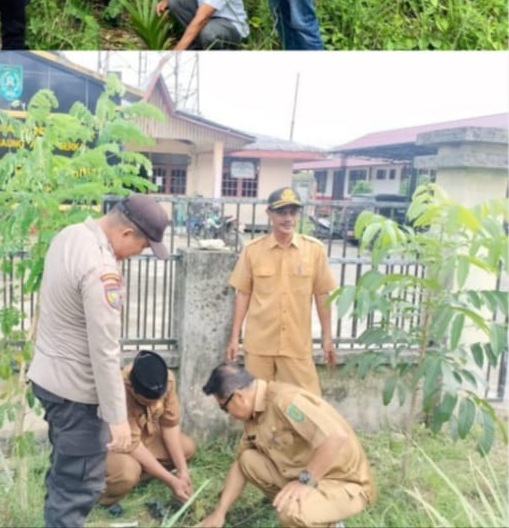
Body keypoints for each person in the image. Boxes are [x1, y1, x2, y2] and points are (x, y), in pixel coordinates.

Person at [28, 195, 170, 528]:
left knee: (64, 474)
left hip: (49, 379)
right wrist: (117, 418)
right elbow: (105, 350)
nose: (138, 255)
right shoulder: (102, 269)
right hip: (76, 394)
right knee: (80, 485)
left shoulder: (70, 234)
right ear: (125, 234)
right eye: (143, 247)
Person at [199, 361, 376, 528]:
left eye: (224, 408)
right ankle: (309, 510)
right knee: (248, 459)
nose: (228, 414)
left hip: (342, 483)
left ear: (238, 397)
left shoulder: (286, 401)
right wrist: (219, 513)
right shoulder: (254, 414)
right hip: (306, 476)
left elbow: (336, 437)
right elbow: (240, 465)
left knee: (291, 512)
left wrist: (305, 482)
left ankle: (326, 521)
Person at [226, 187, 337, 396]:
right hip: (259, 344)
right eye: (281, 212)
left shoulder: (314, 250)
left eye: (292, 213)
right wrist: (234, 337)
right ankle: (256, 432)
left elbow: (322, 295)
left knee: (306, 402)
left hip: (296, 345)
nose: (288, 218)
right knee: (256, 402)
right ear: (269, 214)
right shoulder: (253, 250)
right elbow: (243, 294)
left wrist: (327, 338)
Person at [101, 350, 196, 507]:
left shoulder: (167, 380)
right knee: (128, 473)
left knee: (187, 448)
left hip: (143, 437)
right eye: (147, 402)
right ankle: (101, 493)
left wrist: (183, 471)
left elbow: (170, 426)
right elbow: (132, 444)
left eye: (158, 400)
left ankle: (144, 471)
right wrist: (171, 480)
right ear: (132, 388)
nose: (155, 405)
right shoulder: (120, 390)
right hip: (116, 444)